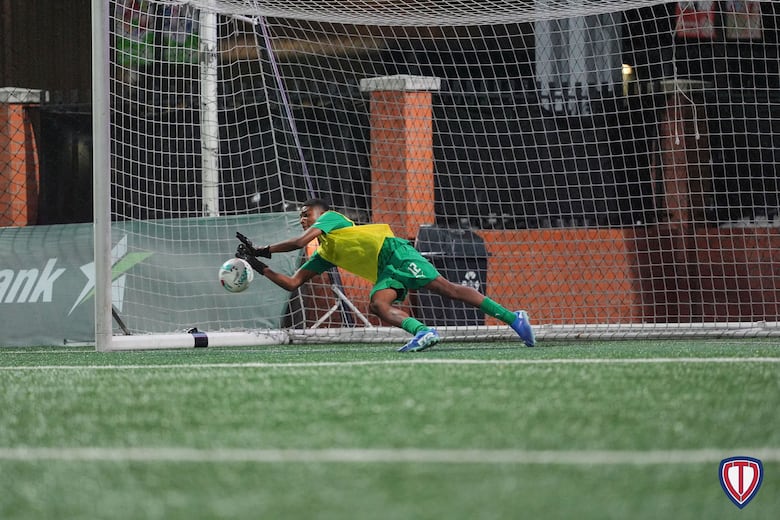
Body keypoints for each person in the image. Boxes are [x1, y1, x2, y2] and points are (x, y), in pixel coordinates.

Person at [235, 198, 536, 352]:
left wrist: (262, 249)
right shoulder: (325, 253)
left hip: (395, 252)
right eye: (300, 216)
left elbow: (301, 242)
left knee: (448, 289)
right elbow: (292, 282)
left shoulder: (331, 218)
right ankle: (423, 332)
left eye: (306, 214)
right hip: (385, 270)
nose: (303, 218)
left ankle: (514, 318)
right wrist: (256, 264)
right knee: (378, 305)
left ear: (320, 214)